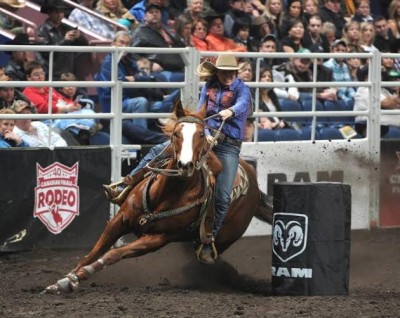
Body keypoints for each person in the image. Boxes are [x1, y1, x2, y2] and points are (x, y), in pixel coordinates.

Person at [104, 54, 251, 265]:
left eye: (231, 72)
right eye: (224, 72)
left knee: (223, 196)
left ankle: (208, 240)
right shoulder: (208, 86)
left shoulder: (242, 89)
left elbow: (243, 105)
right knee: (158, 150)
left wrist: (230, 110)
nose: (228, 76)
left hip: (228, 146)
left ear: (236, 73)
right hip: (205, 137)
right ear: (217, 72)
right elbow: (201, 111)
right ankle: (125, 184)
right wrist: (205, 131)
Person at [37, 0, 89, 80]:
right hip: (52, 74)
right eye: (56, 12)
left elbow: (84, 45)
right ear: (49, 13)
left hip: (70, 72)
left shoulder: (67, 28)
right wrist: (64, 40)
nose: (59, 15)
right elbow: (47, 52)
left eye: (61, 12)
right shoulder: (41, 31)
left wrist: (79, 37)